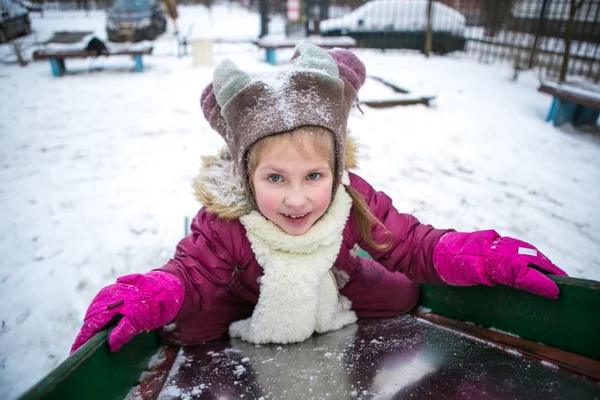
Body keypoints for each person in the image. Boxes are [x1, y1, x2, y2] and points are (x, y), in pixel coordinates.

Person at [70, 43, 567, 354]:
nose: (297, 199)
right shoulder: (226, 222)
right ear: (246, 177)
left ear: (335, 168)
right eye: (275, 179)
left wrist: (480, 256)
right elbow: (191, 272)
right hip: (244, 291)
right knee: (188, 331)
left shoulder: (353, 199)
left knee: (403, 294)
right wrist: (153, 293)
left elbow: (413, 243)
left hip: (330, 277)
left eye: (313, 175)